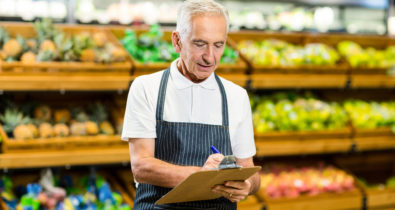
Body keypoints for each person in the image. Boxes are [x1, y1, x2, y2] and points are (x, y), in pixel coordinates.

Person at [122, 0, 260, 209]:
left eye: (218, 45)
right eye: (200, 44)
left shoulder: (236, 96)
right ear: (177, 41)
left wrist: (247, 185)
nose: (210, 57)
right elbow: (141, 167)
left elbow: (249, 169)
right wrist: (201, 176)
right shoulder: (147, 88)